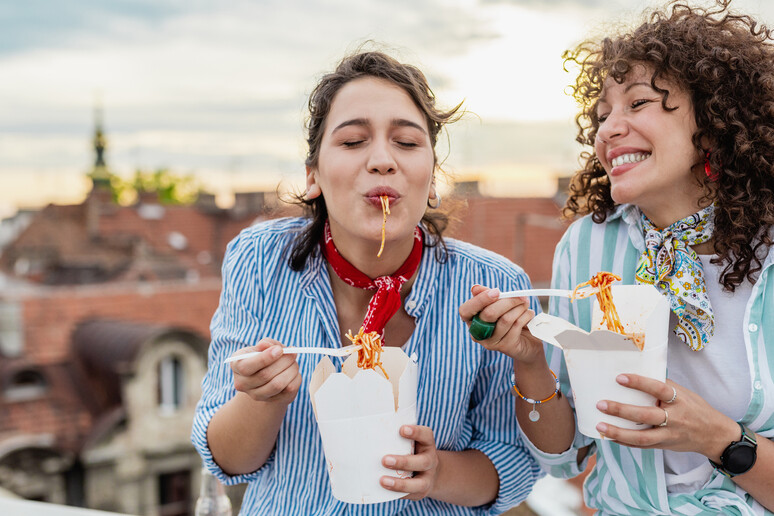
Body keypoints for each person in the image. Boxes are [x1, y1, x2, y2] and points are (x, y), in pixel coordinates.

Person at [191, 50, 543, 515]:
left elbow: (513, 464)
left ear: (433, 178)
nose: (382, 160)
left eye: (407, 143)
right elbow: (228, 461)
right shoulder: (258, 260)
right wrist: (262, 401)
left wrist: (437, 473)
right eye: (354, 141)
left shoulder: (493, 284)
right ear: (313, 175)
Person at [459, 1, 774, 514]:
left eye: (638, 103)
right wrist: (530, 360)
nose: (608, 129)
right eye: (603, 115)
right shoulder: (586, 245)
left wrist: (719, 438)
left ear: (715, 122)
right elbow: (564, 457)